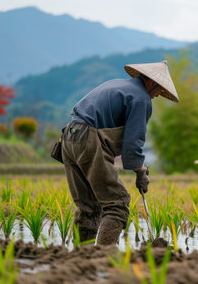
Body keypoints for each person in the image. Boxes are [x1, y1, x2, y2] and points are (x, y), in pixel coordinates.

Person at [61, 60, 179, 245]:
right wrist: (140, 171)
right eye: (159, 90)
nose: (158, 95)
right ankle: (104, 255)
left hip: (69, 136)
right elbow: (134, 141)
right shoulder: (141, 98)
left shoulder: (117, 84)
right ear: (152, 82)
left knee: (89, 207)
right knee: (118, 203)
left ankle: (81, 257)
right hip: (88, 139)